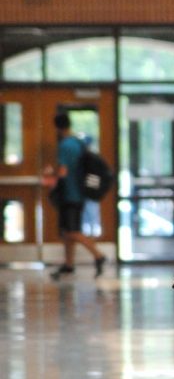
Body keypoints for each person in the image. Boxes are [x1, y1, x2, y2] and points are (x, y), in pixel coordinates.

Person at [50, 112, 106, 280]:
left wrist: (52, 181)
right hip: (80, 193)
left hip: (70, 194)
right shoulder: (78, 142)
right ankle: (68, 264)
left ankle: (98, 255)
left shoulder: (65, 145)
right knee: (67, 231)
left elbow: (63, 171)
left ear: (58, 127)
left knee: (72, 231)